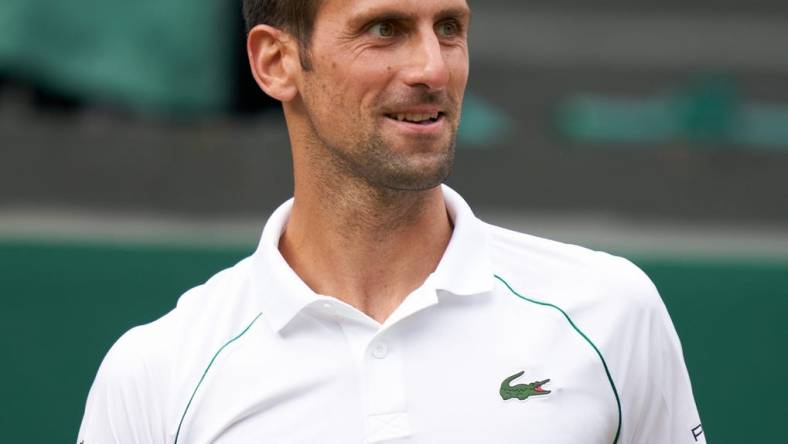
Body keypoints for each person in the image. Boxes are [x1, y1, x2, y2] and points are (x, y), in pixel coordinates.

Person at [78, 0, 705, 443]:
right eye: (385, 29)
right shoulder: (158, 372)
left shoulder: (611, 312)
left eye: (450, 27)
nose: (433, 68)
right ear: (276, 61)